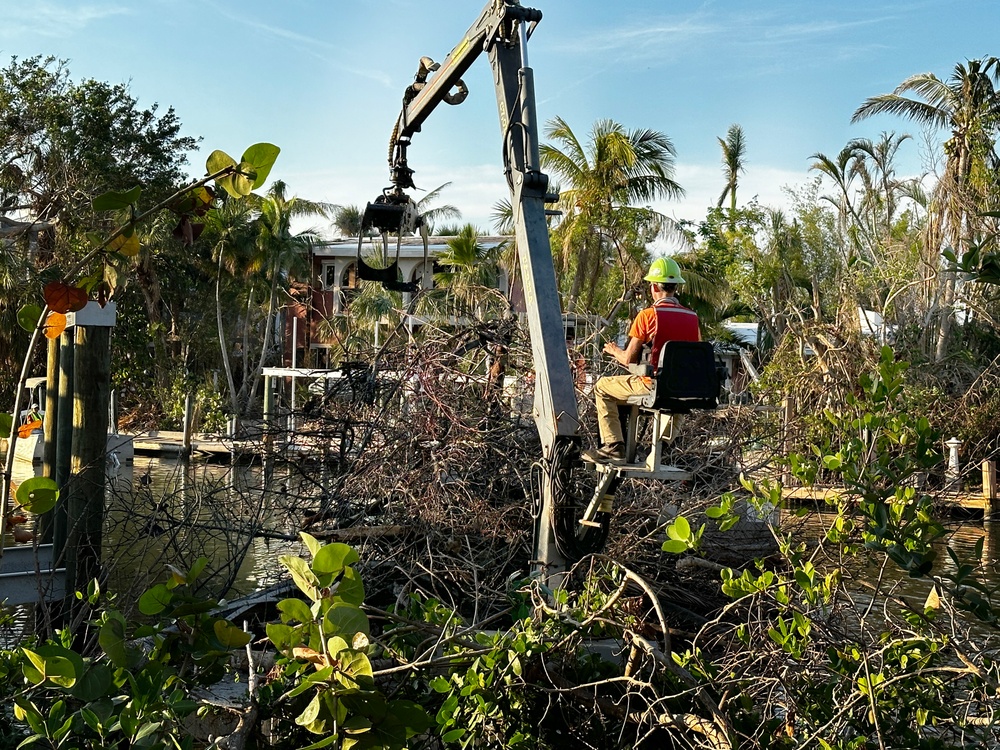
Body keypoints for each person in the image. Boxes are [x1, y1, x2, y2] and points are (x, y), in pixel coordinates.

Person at [585, 257, 701, 463]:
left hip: (651, 385)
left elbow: (629, 359)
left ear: (654, 286)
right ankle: (662, 446)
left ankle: (613, 446)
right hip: (681, 389)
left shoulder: (648, 315)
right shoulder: (692, 317)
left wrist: (613, 350)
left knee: (602, 387)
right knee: (677, 399)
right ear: (675, 287)